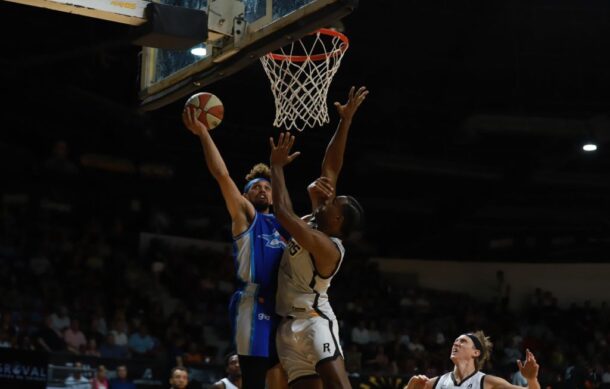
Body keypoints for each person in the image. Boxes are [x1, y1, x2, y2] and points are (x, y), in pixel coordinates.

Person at [182, 86, 367, 389]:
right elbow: (224, 176)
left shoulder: (299, 226)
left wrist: (278, 168)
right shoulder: (252, 218)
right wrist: (205, 134)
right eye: (256, 186)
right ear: (245, 194)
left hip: (301, 313)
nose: (264, 189)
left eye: (267, 186)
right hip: (261, 306)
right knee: (259, 381)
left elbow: (289, 205)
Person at [269, 124, 366, 389]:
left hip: (314, 322)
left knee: (338, 386)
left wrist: (276, 167)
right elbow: (331, 167)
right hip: (287, 326)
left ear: (337, 219)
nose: (329, 197)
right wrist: (346, 121)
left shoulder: (327, 245)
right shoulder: (317, 219)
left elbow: (282, 213)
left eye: (334, 201)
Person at [403, 331, 540, 389]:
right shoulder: (435, 383)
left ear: (476, 352)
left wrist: (531, 379)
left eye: (462, 341)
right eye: (455, 341)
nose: (455, 344)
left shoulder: (487, 382)